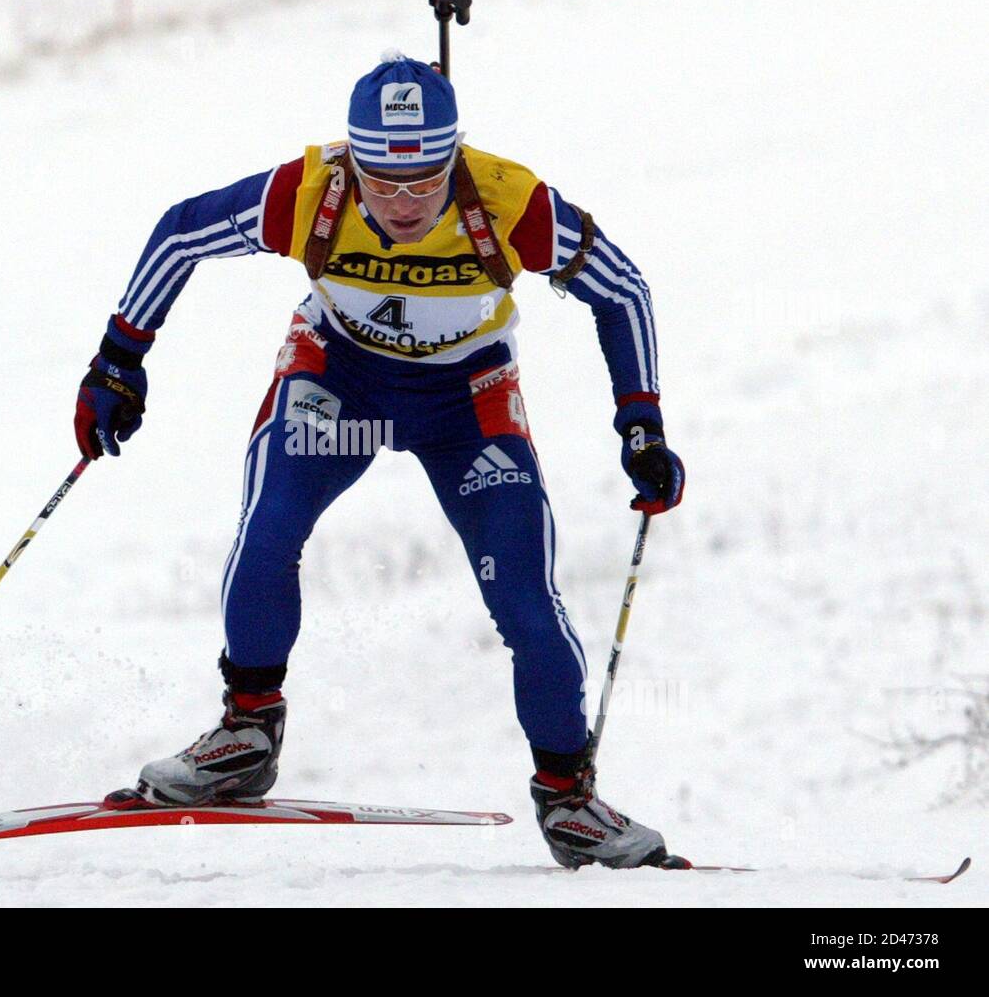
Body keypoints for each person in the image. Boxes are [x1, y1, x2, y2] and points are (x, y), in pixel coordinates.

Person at [73, 52, 685, 869]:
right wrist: (120, 358)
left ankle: (570, 799)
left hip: (464, 404)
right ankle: (248, 731)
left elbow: (622, 288)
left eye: (425, 181)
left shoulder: (508, 199)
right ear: (354, 158)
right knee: (268, 533)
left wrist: (640, 418)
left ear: (453, 158)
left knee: (528, 605)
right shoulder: (312, 190)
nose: (402, 203)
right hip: (342, 382)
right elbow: (183, 230)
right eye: (382, 181)